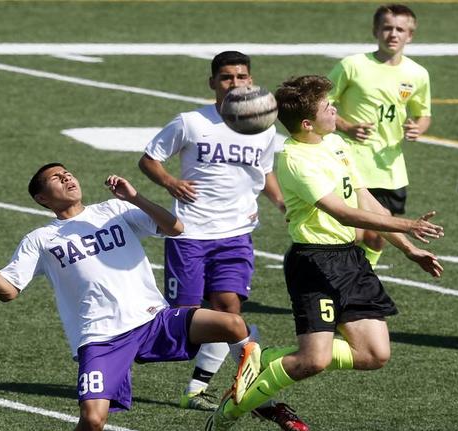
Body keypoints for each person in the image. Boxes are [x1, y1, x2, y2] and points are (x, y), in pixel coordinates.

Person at [206, 75, 444, 431]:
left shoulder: (336, 144)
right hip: (314, 262)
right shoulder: (294, 158)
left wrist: (408, 249)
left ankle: (265, 358)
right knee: (312, 361)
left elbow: (364, 200)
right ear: (306, 124)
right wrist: (407, 224)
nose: (335, 109)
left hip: (351, 259)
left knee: (376, 354)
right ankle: (229, 412)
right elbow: (341, 211)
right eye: (326, 107)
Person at [0, 163, 262, 431]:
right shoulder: (40, 239)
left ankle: (253, 399)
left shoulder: (112, 210)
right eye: (56, 178)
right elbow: (8, 291)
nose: (67, 177)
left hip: (152, 320)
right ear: (42, 198)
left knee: (234, 325)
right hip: (101, 338)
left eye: (68, 172)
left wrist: (134, 197)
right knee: (94, 419)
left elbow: (175, 227)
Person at [138, 51, 308, 431]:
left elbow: (264, 172)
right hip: (190, 232)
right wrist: (171, 182)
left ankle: (215, 391)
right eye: (227, 77)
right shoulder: (191, 122)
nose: (235, 83)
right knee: (184, 315)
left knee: (229, 311)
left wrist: (281, 202)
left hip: (236, 234)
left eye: (242, 77)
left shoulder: (263, 124)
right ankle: (127, 346)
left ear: (251, 80)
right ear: (213, 82)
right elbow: (149, 160)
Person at [326, 3, 432, 268]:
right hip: (351, 162)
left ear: (410, 35)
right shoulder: (352, 65)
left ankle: (361, 281)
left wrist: (418, 127)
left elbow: (424, 114)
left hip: (389, 167)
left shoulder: (417, 74)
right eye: (387, 28)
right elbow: (322, 104)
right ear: (376, 30)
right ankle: (340, 280)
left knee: (377, 237)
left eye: (400, 29)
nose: (393, 34)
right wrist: (347, 126)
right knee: (354, 232)